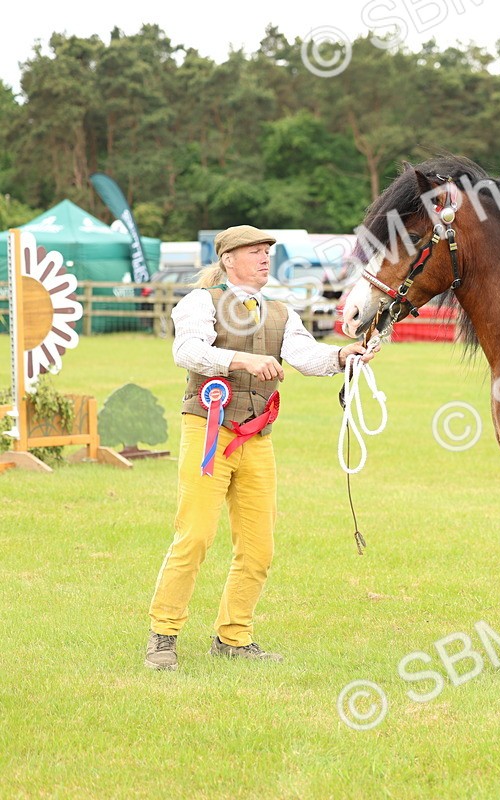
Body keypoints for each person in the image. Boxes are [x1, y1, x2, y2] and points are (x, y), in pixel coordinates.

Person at [145, 225, 375, 670]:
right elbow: (187, 351)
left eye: (268, 251)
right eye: (254, 251)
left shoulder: (281, 312)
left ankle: (233, 638)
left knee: (258, 548)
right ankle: (163, 634)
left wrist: (342, 356)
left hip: (257, 438)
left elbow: (306, 357)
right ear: (228, 259)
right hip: (208, 431)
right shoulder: (200, 302)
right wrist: (240, 359)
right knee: (194, 536)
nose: (265, 258)